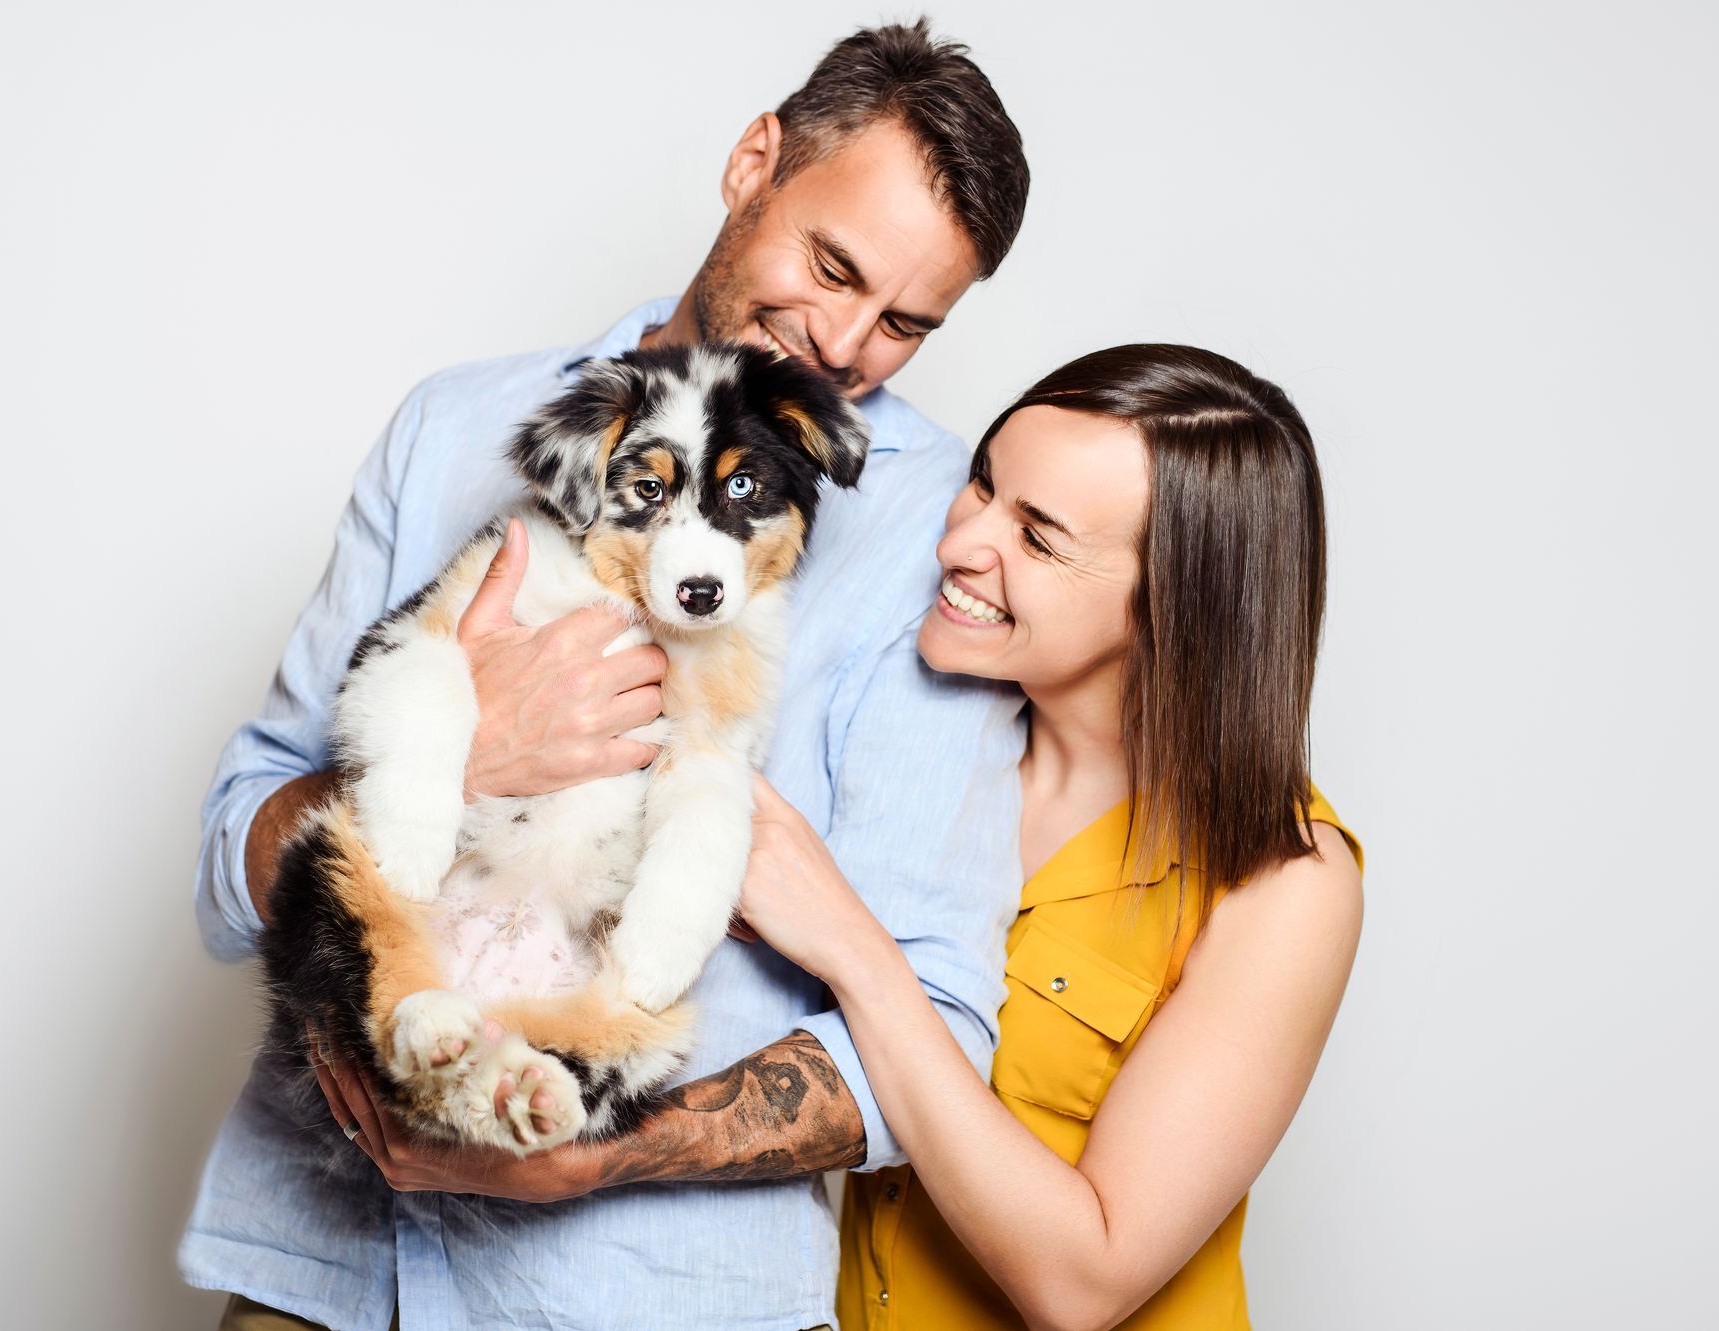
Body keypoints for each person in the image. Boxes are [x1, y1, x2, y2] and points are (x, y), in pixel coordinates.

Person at [179, 21, 1034, 1331]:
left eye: (905, 323)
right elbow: (233, 852)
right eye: (832, 266)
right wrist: (460, 753)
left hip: (640, 1296)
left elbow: (939, 1024)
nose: (843, 342)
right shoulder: (456, 426)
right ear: (753, 163)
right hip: (323, 1265)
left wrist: (601, 1154)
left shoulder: (940, 540)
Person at [733, 344, 1365, 1330]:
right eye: (983, 483)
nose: (959, 543)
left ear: (1172, 603)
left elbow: (1085, 1283)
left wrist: (854, 948)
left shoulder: (1288, 881)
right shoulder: (925, 752)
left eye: (1036, 537)